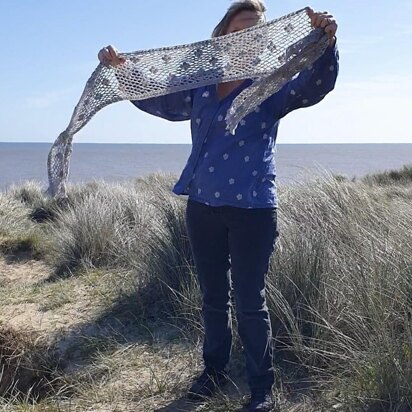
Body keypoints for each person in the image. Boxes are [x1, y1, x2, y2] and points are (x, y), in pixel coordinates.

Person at [98, 1, 338, 410]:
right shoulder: (203, 86)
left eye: (257, 30)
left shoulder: (272, 82)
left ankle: (261, 388)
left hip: (253, 210)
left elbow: (313, 86)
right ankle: (213, 372)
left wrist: (327, 41)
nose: (249, 36)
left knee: (249, 300)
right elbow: (163, 100)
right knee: (212, 297)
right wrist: (123, 70)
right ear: (223, 35)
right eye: (241, 28)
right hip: (203, 207)